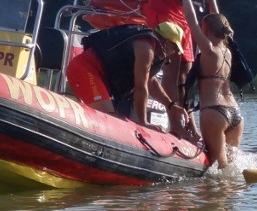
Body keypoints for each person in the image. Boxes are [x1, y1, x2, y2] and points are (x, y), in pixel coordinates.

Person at [66, 22, 194, 140]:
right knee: (110, 120)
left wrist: (171, 105)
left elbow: (150, 82)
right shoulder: (146, 48)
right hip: (85, 70)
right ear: (166, 43)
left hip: (94, 74)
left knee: (112, 119)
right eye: (175, 47)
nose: (176, 52)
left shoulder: (150, 47)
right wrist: (143, 122)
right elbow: (141, 86)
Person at [182, 0, 243, 168]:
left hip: (215, 111)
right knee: (230, 168)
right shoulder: (228, 50)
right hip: (235, 113)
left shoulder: (209, 49)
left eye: (203, 28)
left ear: (206, 30)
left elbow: (191, 22)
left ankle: (214, 196)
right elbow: (219, 21)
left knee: (219, 167)